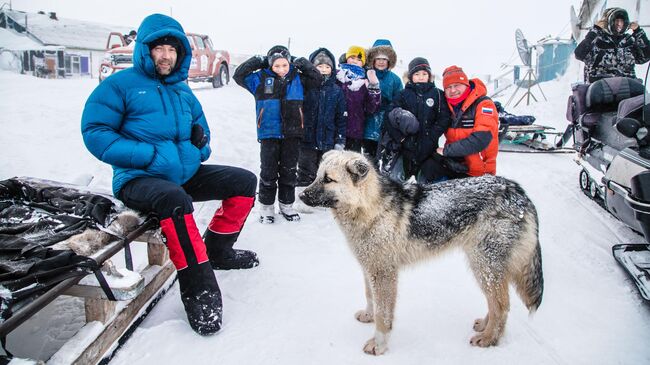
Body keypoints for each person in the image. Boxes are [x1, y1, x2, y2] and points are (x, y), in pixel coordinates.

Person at [81, 14, 259, 336]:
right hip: (138, 179)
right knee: (174, 201)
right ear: (145, 50)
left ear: (180, 54)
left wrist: (199, 148)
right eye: (158, 48)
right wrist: (146, 155)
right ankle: (199, 287)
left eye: (171, 49)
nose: (165, 55)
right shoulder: (120, 86)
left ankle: (219, 250)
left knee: (244, 182)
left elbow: (202, 133)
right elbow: (95, 131)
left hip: (182, 174)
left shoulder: (182, 92)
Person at [233, 45, 321, 224]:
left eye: (285, 65)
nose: (281, 70)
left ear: (289, 64)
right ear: (270, 66)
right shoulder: (259, 79)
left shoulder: (299, 79)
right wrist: (259, 60)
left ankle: (287, 205)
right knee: (268, 172)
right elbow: (238, 75)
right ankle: (266, 207)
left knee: (289, 171)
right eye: (276, 66)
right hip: (268, 134)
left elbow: (317, 78)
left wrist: (301, 62)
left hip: (292, 134)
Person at [378, 57, 450, 182]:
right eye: (417, 74)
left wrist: (431, 136)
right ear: (410, 76)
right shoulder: (403, 94)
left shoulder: (438, 94)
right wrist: (400, 138)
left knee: (426, 183)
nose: (421, 77)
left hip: (429, 147)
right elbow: (388, 117)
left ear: (429, 76)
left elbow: (444, 118)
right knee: (396, 183)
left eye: (424, 74)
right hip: (405, 147)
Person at [421, 65, 499, 181]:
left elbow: (480, 140)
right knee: (428, 165)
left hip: (478, 172)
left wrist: (447, 151)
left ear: (466, 84)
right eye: (448, 87)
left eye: (456, 85)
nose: (453, 90)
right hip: (456, 164)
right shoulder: (447, 107)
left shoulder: (484, 104)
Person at [296, 47, 347, 190]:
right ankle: (303, 198)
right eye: (319, 66)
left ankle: (320, 199)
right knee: (305, 171)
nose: (323, 69)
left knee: (324, 173)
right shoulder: (305, 86)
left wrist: (340, 140)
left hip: (328, 141)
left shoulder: (337, 91)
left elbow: (341, 118)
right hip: (307, 140)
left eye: (327, 66)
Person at [574, 7, 650, 83]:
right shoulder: (596, 40)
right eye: (616, 21)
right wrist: (594, 31)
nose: (619, 25)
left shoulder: (629, 41)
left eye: (622, 21)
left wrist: (639, 32)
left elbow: (645, 57)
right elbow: (579, 54)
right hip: (599, 89)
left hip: (628, 88)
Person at [363, 39, 403, 165]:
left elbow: (399, 100)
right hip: (367, 126)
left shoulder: (395, 79)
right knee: (368, 160)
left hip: (385, 126)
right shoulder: (366, 75)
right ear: (372, 60)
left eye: (384, 59)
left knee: (386, 160)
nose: (381, 62)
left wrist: (389, 106)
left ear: (389, 61)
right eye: (378, 58)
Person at [336, 45, 381, 153]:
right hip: (334, 130)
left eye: (359, 59)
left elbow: (372, 108)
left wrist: (374, 86)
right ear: (346, 58)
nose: (355, 61)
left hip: (355, 131)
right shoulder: (337, 76)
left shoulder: (364, 82)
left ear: (363, 63)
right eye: (352, 57)